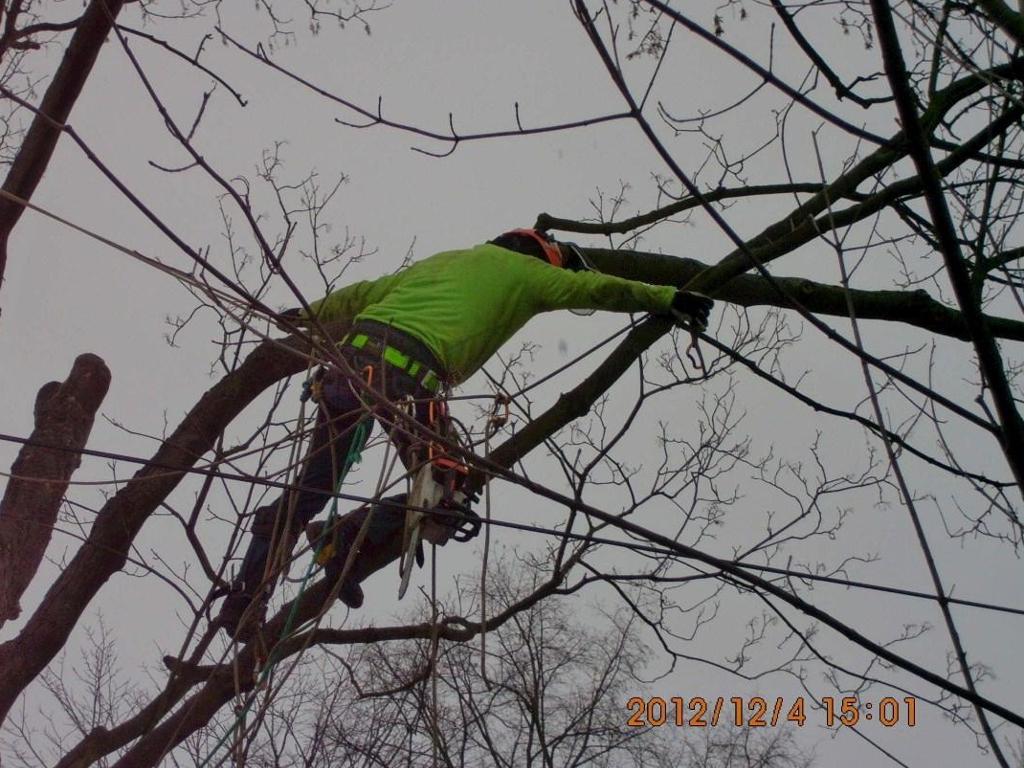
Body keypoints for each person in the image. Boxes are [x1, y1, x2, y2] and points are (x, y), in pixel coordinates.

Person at [217, 229, 713, 639]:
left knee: (312, 488)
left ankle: (244, 599)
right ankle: (343, 536)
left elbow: (363, 292)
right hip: (409, 376)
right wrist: (668, 297)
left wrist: (304, 314)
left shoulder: (441, 259)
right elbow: (598, 291)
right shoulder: (528, 273)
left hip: (349, 366)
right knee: (447, 492)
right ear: (539, 255)